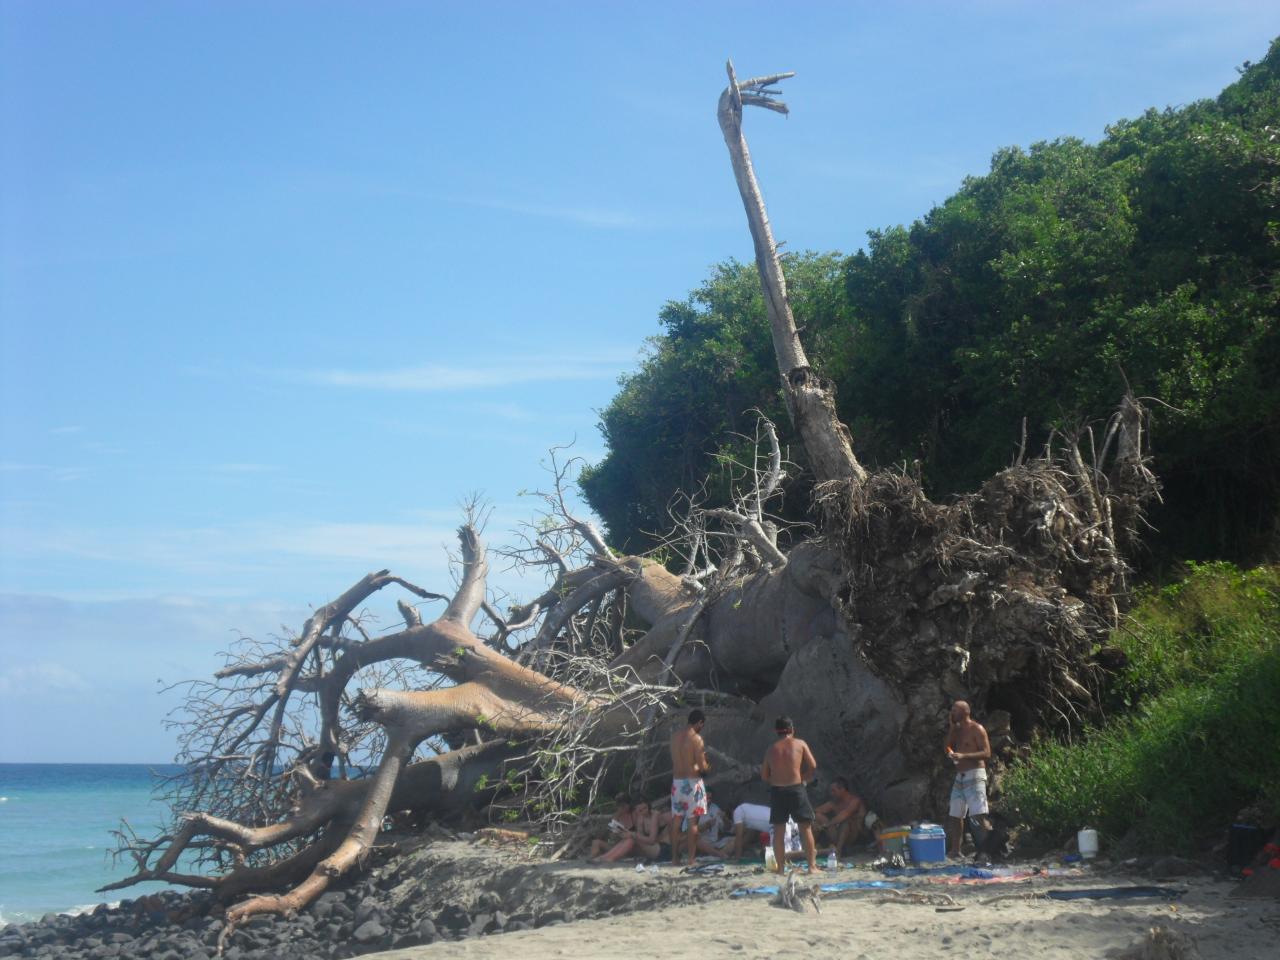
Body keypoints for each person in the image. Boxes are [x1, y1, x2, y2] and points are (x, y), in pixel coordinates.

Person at [761, 715, 818, 873]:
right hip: (796, 788)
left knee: (779, 831)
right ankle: (812, 867)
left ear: (776, 731)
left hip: (778, 791)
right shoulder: (800, 743)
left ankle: (780, 869)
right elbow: (813, 765)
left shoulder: (771, 749)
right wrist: (802, 778)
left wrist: (777, 780)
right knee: (805, 828)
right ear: (792, 729)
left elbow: (764, 776)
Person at [944, 700, 992, 859]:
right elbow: (947, 746)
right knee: (955, 814)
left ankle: (989, 848)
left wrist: (964, 755)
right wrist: (951, 729)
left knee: (979, 814)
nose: (952, 713)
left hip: (975, 774)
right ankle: (956, 850)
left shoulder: (977, 729)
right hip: (961, 776)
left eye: (955, 710)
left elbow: (986, 753)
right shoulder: (957, 730)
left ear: (965, 712)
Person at [669, 708, 711, 866]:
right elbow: (702, 766)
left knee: (677, 821)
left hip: (677, 783)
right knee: (693, 823)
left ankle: (674, 859)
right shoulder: (696, 739)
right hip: (692, 784)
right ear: (700, 722)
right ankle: (691, 860)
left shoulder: (674, 737)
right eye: (702, 725)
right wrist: (708, 765)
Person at [593, 798, 665, 862]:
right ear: (636, 810)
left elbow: (651, 840)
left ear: (648, 806)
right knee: (630, 838)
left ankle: (611, 858)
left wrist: (633, 834)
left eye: (645, 808)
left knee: (632, 837)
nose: (643, 811)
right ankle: (604, 857)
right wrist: (625, 834)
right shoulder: (640, 817)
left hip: (660, 848)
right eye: (640, 810)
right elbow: (641, 837)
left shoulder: (655, 815)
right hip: (648, 848)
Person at [813, 776, 867, 858]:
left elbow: (844, 815)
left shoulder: (855, 801)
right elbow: (815, 811)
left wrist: (825, 825)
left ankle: (838, 852)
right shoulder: (834, 803)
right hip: (837, 835)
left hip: (852, 836)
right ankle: (811, 848)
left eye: (833, 791)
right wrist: (816, 825)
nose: (831, 794)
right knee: (817, 817)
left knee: (846, 822)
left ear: (842, 789)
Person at [589, 794, 636, 859]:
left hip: (629, 845)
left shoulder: (634, 814)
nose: (622, 808)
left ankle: (601, 858)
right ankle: (593, 858)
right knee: (596, 842)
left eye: (624, 806)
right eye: (620, 806)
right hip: (616, 845)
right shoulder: (617, 816)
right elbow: (612, 834)